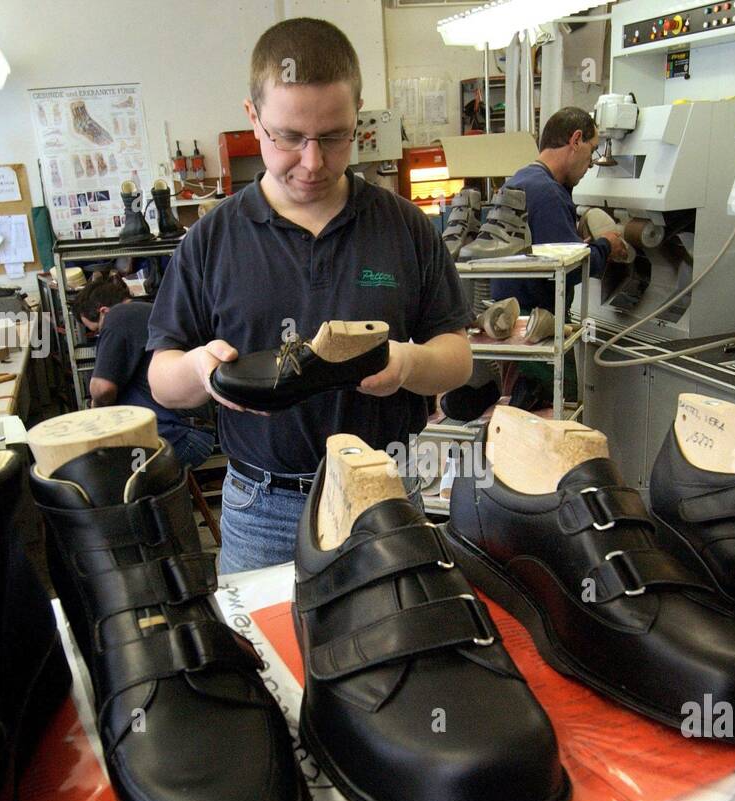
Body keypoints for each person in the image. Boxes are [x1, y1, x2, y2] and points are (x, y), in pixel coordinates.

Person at [147, 18, 472, 573]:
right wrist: (202, 370)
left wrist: (406, 362)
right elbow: (162, 375)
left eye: (334, 136)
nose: (313, 161)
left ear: (358, 115)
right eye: (290, 137)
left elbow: (457, 358)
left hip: (385, 493)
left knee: (397, 651)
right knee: (269, 660)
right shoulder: (212, 238)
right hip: (262, 507)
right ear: (253, 118)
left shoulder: (404, 226)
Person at [486, 107, 626, 408]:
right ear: (575, 140)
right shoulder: (548, 192)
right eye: (591, 150)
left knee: (521, 418)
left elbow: (546, 251)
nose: (590, 163)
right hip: (537, 330)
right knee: (552, 415)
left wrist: (578, 243)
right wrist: (605, 246)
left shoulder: (521, 179)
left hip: (514, 325)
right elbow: (569, 270)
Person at [75, 271, 215, 469]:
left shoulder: (118, 315)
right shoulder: (152, 313)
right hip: (192, 433)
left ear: (103, 311)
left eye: (97, 330)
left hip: (176, 434)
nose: (101, 336)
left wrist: (96, 419)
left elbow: (102, 389)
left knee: (100, 473)